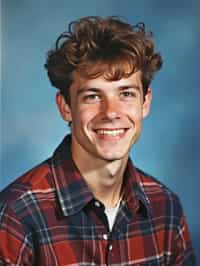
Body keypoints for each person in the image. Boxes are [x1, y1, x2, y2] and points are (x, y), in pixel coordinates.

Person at [0, 16, 196, 265]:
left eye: (126, 93)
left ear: (145, 103)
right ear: (66, 107)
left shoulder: (165, 208)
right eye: (92, 96)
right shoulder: (16, 217)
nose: (111, 112)